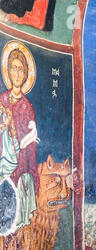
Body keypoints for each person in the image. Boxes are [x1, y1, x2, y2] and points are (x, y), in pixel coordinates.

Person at [0, 46, 39, 230]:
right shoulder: (1, 100)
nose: (17, 73)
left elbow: (29, 143)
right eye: (13, 68)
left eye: (20, 69)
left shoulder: (27, 106)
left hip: (19, 160)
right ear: (8, 70)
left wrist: (15, 133)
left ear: (25, 75)